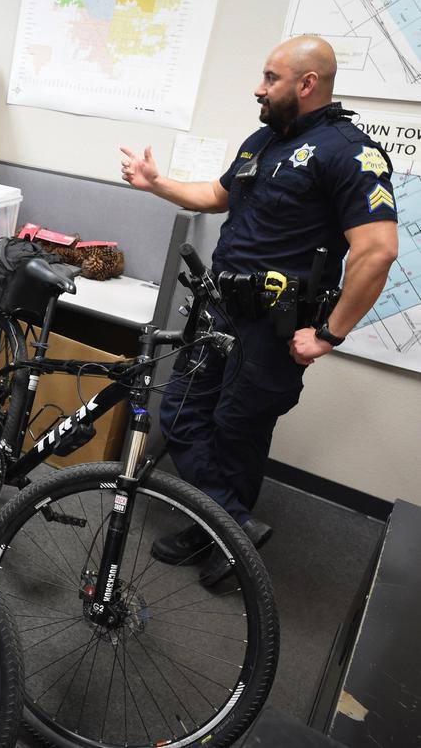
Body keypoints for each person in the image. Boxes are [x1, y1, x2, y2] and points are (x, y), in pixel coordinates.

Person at [120, 35, 398, 587]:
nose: (258, 87)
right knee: (179, 413)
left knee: (237, 429)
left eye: (270, 77)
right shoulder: (263, 140)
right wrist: (158, 184)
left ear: (307, 83)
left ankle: (220, 533)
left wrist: (328, 335)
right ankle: (232, 525)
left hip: (273, 323)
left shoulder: (349, 152)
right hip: (219, 310)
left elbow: (378, 250)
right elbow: (218, 197)